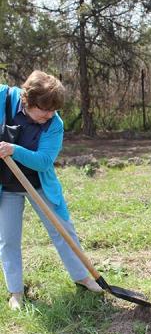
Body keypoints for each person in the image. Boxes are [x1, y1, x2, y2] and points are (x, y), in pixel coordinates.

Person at [0, 70, 102, 310]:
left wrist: (14, 149)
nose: (49, 115)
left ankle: (83, 277)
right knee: (8, 240)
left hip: (38, 183)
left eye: (53, 110)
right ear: (27, 101)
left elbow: (44, 160)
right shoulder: (4, 98)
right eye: (44, 111)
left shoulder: (54, 124)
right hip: (6, 187)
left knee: (62, 230)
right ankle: (16, 292)